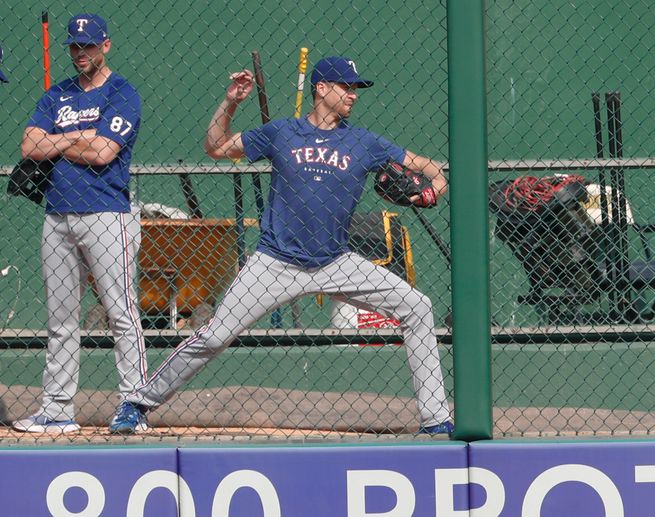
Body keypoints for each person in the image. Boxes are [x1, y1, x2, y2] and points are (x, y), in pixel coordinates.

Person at [109, 56, 454, 436]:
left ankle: (435, 419)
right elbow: (216, 147)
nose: (353, 95)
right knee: (215, 335)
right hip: (275, 262)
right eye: (346, 87)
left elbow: (427, 166)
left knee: (418, 308)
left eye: (356, 88)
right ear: (321, 88)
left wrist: (433, 189)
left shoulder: (365, 142)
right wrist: (231, 101)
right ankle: (137, 402)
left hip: (335, 262)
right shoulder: (282, 133)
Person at [12, 13, 147, 433]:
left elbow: (105, 153)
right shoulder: (57, 94)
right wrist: (78, 137)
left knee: (121, 312)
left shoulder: (122, 93)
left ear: (105, 45)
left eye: (88, 45)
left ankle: (135, 406)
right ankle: (56, 409)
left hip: (107, 214)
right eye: (74, 45)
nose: (80, 53)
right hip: (57, 214)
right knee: (62, 318)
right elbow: (30, 146)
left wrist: (58, 141)